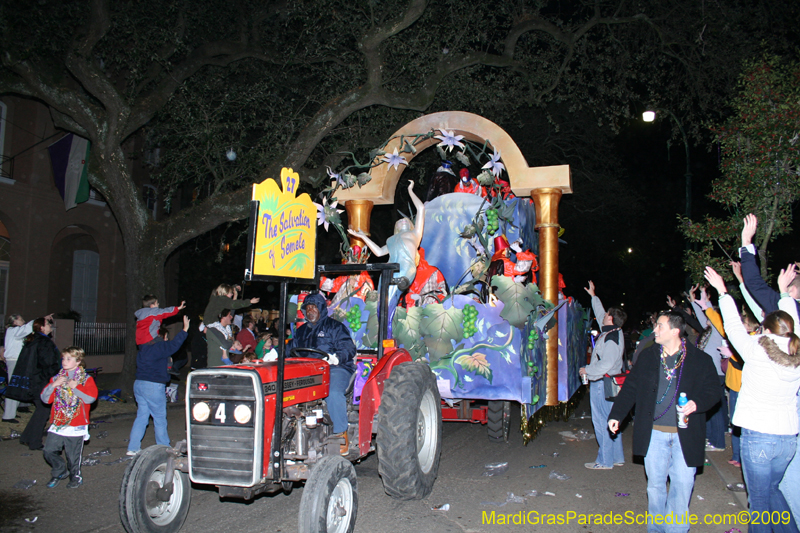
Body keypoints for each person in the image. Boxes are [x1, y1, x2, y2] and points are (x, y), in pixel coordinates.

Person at [705, 265, 800, 533]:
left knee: (758, 502)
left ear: (765, 329)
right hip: (787, 440)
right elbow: (791, 322)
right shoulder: (797, 351)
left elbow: (733, 327)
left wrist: (723, 292)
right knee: (773, 491)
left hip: (759, 437)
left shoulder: (756, 349)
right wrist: (783, 293)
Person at [608, 310, 721, 533]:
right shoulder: (649, 356)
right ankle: (657, 529)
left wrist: (697, 403)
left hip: (685, 435)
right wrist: (616, 415)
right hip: (654, 434)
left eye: (659, 326)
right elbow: (631, 387)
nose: (655, 330)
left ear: (675, 331)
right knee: (656, 487)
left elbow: (713, 391)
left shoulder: (699, 360)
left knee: (682, 486)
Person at [738, 214, 800, 519]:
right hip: (788, 425)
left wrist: (747, 245)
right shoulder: (787, 319)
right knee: (774, 489)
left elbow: (756, 288)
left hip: (769, 425)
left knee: (766, 494)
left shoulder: (787, 316)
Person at [288, 293, 356, 455]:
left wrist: (337, 358)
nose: (310, 311)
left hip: (335, 368)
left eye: (313, 307)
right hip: (308, 370)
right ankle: (290, 430)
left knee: (332, 392)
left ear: (321, 309)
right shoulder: (302, 331)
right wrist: (276, 354)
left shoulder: (335, 327)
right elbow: (291, 347)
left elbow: (349, 348)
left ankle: (341, 433)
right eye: (307, 308)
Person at [579, 280, 626, 470]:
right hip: (609, 382)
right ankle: (616, 457)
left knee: (601, 422)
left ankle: (604, 461)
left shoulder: (613, 338)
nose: (603, 315)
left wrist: (587, 371)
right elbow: (599, 313)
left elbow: (606, 364)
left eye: (607, 315)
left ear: (611, 320)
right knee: (611, 420)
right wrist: (593, 296)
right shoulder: (612, 331)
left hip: (603, 383)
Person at [127, 315, 189, 456]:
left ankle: (133, 447)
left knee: (142, 416)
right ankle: (164, 448)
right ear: (160, 336)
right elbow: (175, 344)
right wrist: (184, 330)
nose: (166, 339)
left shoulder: (143, 347)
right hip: (153, 386)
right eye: (165, 336)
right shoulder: (159, 346)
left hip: (139, 384)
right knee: (160, 417)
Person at [348, 181, 425, 293]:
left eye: (405, 220)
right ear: (396, 228)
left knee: (394, 293)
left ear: (411, 225)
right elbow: (379, 252)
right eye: (399, 221)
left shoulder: (415, 234)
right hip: (388, 270)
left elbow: (421, 208)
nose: (402, 220)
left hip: (405, 269)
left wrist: (410, 191)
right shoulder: (391, 240)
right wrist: (363, 237)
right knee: (383, 299)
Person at [41, 347, 98, 489]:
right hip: (59, 422)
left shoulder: (86, 379)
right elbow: (45, 398)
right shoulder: (57, 378)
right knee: (48, 450)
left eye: (68, 358)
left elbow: (90, 398)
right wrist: (54, 385)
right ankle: (60, 471)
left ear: (78, 361)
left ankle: (75, 477)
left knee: (73, 457)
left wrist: (76, 387)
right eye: (63, 358)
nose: (64, 361)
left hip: (76, 424)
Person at [18, 318, 62, 450]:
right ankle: (35, 442)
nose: (50, 326)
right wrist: (55, 375)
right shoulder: (44, 342)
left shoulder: (33, 340)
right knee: (43, 411)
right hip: (41, 381)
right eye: (48, 324)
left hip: (33, 379)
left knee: (40, 410)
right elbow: (47, 362)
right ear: (41, 327)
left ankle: (26, 437)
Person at [3, 313, 51, 423]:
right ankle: (8, 416)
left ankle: (18, 408)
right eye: (21, 319)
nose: (23, 321)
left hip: (18, 362)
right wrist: (40, 319)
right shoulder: (13, 330)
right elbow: (26, 329)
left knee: (20, 385)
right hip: (14, 362)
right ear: (14, 321)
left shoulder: (15, 332)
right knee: (14, 387)